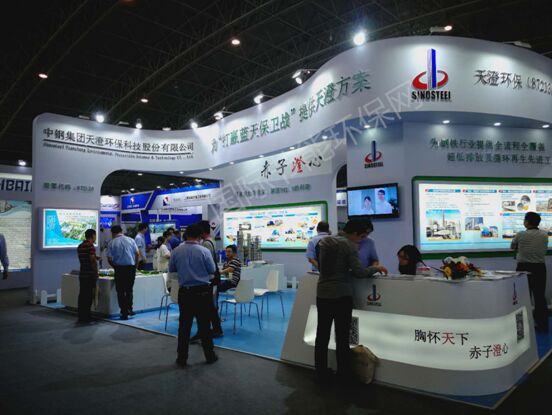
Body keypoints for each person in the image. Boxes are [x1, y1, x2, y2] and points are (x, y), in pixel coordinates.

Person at [315, 219, 388, 381]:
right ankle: (344, 374)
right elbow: (359, 272)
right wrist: (376, 268)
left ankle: (321, 372)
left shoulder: (326, 241)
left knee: (322, 335)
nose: (361, 240)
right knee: (342, 337)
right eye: (361, 236)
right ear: (354, 233)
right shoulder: (349, 245)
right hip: (341, 295)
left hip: (323, 293)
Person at [169, 224, 218, 366]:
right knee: (204, 326)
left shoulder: (176, 251)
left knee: (184, 326)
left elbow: (172, 270)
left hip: (185, 292)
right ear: (199, 236)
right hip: (202, 292)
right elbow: (212, 270)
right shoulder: (204, 251)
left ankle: (182, 358)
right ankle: (209, 356)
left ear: (186, 235)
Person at [511, 212, 549, 333]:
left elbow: (512, 247)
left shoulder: (520, 234)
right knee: (539, 297)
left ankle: (522, 326)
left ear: (527, 222)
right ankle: (542, 325)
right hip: (539, 268)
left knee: (522, 297)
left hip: (523, 268)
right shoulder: (544, 235)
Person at [190, 220, 223, 342]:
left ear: (201, 231)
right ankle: (209, 330)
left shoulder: (206, 244)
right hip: (211, 278)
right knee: (209, 306)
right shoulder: (210, 241)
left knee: (209, 306)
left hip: (209, 279)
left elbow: (206, 263)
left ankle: (214, 330)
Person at [107, 225, 140, 320]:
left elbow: (109, 258)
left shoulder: (112, 243)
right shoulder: (131, 240)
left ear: (112, 233)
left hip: (119, 269)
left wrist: (115, 267)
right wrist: (135, 266)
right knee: (129, 289)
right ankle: (129, 309)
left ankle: (124, 312)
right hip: (130, 268)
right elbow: (137, 254)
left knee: (120, 291)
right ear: (121, 231)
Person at [77, 229, 99, 323]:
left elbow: (86, 257)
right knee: (88, 296)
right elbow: (92, 260)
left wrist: (95, 257)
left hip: (82, 273)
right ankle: (87, 317)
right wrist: (96, 272)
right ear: (93, 235)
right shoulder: (90, 246)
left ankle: (81, 316)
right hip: (89, 274)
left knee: (82, 296)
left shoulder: (80, 246)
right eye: (95, 235)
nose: (95, 238)